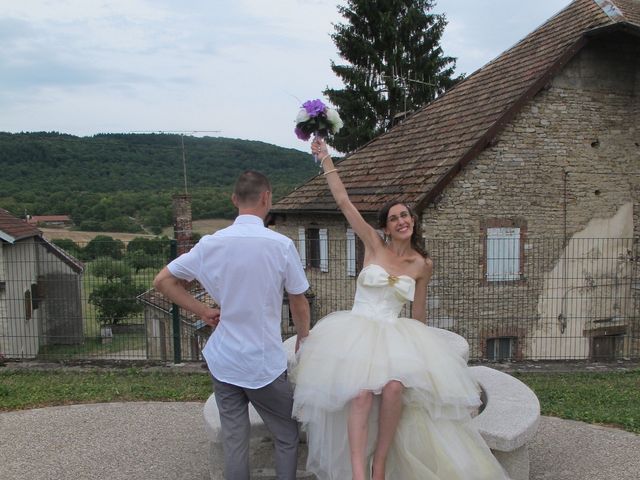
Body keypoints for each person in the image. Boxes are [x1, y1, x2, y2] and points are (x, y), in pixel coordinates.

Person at [291, 138, 508, 480]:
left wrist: (423, 354)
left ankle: (381, 462)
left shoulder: (422, 264)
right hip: (356, 330)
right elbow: (344, 202)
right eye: (393, 218)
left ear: (413, 220)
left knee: (395, 387)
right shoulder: (373, 244)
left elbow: (418, 314)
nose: (401, 221)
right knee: (360, 394)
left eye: (405, 214)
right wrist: (326, 158)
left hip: (393, 332)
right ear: (387, 226)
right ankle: (359, 473)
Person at [154, 170, 311, 480]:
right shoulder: (280, 245)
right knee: (286, 434)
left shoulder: (210, 244)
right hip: (263, 361)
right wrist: (304, 337)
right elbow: (298, 299)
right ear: (267, 198)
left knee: (235, 438)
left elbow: (163, 281)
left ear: (234, 200)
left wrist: (202, 310)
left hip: (224, 358)